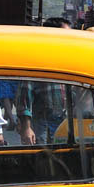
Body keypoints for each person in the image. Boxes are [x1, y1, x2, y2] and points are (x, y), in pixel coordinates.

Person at [17, 17, 72, 145]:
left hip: (65, 123)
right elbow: (24, 95)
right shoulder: (38, 60)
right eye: (66, 35)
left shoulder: (68, 59)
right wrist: (26, 127)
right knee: (42, 159)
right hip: (42, 123)